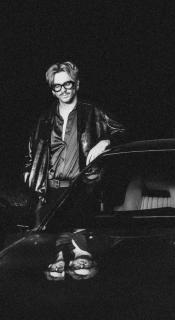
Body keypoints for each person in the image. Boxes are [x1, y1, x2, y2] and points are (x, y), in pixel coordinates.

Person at [23, 61, 126, 279]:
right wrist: (29, 174)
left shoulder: (93, 112)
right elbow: (31, 152)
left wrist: (106, 141)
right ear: (52, 90)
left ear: (77, 84)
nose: (63, 90)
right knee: (51, 252)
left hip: (83, 191)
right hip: (50, 193)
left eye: (68, 84)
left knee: (82, 244)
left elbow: (122, 132)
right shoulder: (45, 118)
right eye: (57, 86)